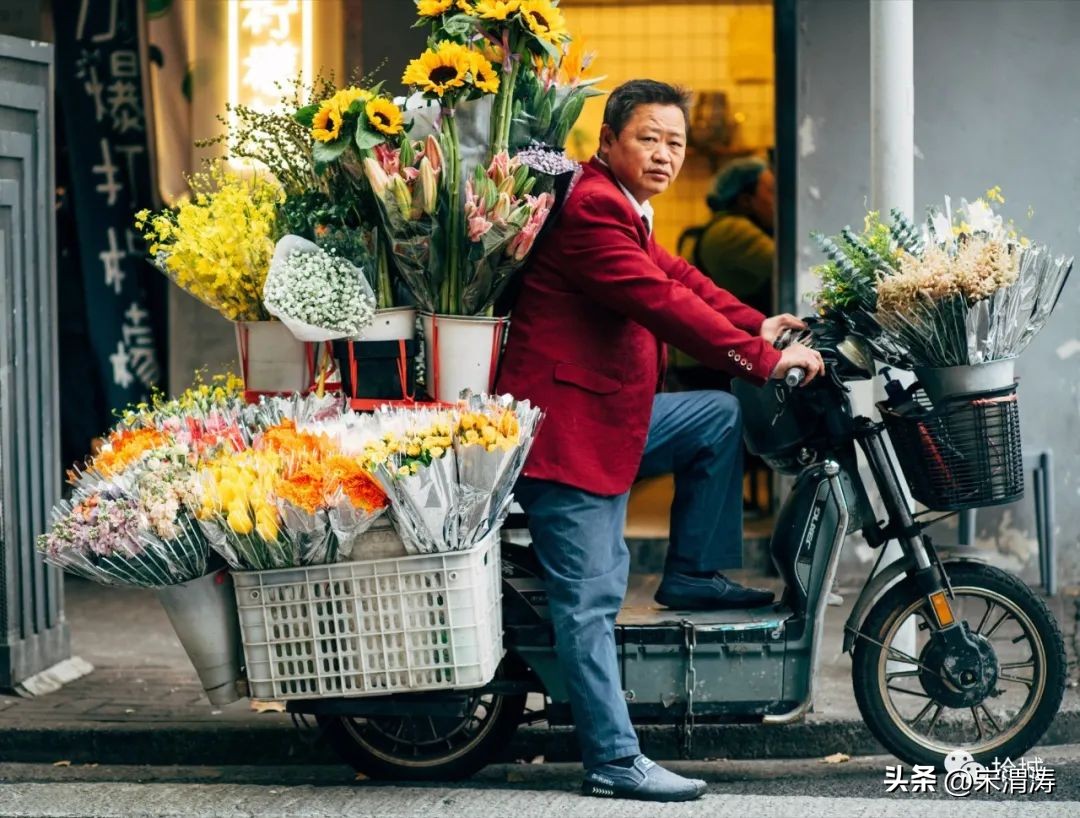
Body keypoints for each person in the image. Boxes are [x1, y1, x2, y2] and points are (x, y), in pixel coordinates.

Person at [495, 79, 823, 802]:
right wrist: (761, 362)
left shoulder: (621, 206)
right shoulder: (590, 210)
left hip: (614, 415)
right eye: (649, 138)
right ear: (607, 141)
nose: (665, 154)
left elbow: (678, 276)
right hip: (569, 437)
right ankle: (613, 761)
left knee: (714, 417)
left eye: (674, 142)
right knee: (591, 598)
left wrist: (757, 324)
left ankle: (693, 574)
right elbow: (661, 303)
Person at [668, 157, 776, 391]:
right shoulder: (731, 230)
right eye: (770, 192)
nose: (777, 202)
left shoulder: (720, 226)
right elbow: (787, 263)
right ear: (746, 200)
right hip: (708, 363)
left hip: (704, 356)